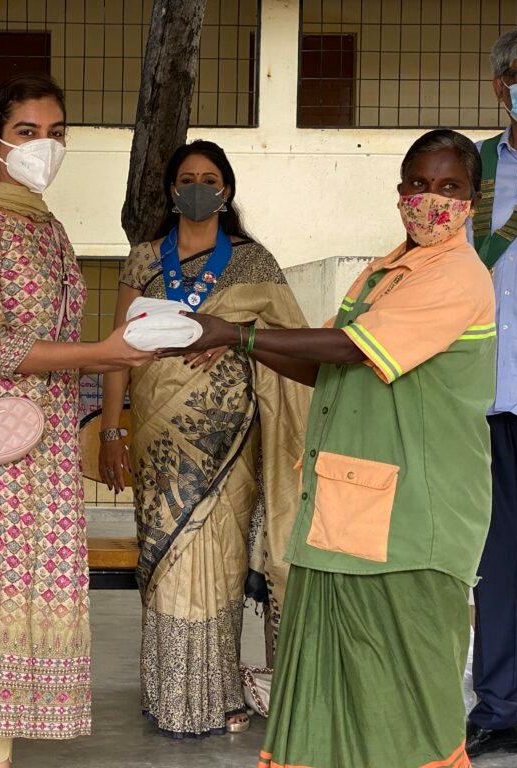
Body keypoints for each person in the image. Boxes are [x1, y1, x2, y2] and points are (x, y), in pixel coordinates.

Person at [164, 129, 493, 767]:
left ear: (472, 199)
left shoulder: (456, 276)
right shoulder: (384, 272)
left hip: (415, 524)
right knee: (332, 693)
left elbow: (351, 349)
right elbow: (327, 367)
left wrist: (237, 331)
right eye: (420, 185)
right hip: (346, 512)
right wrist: (239, 343)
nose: (432, 200)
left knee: (406, 698)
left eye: (449, 187)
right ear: (400, 192)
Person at [0, 73, 153, 768]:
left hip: (38, 455)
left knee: (13, 611)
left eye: (56, 132)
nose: (46, 145)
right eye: (27, 133)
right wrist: (104, 351)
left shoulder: (48, 226)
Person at [98, 140, 309, 738]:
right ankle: (172, 694)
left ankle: (217, 691)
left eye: (209, 177)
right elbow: (118, 352)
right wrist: (114, 430)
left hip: (231, 443)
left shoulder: (254, 263)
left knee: (220, 561)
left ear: (227, 190)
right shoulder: (144, 260)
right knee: (165, 562)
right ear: (171, 189)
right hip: (160, 445)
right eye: (186, 177)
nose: (197, 186)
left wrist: (238, 332)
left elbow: (289, 343)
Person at [466, 26, 517, 759]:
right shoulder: (473, 169)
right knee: (494, 564)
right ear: (501, 83)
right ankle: (500, 707)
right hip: (485, 398)